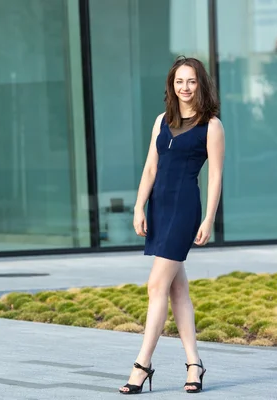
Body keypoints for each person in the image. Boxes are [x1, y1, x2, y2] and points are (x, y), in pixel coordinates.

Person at [119, 56, 224, 395]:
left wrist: (209, 217)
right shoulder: (161, 121)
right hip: (160, 208)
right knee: (177, 290)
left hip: (184, 210)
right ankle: (195, 364)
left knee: (155, 287)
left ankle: (142, 365)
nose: (185, 87)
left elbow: (215, 177)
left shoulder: (212, 125)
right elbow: (151, 168)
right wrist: (138, 206)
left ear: (200, 84)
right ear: (172, 85)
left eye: (191, 81)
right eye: (179, 81)